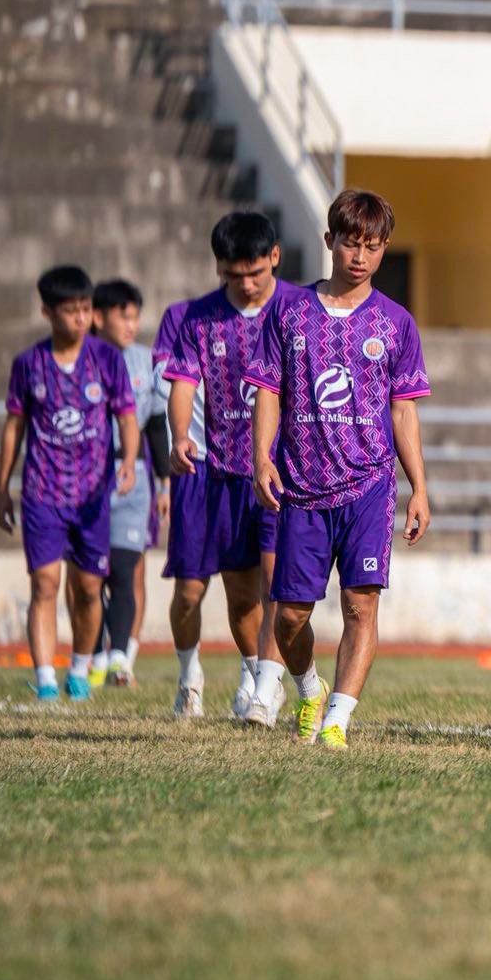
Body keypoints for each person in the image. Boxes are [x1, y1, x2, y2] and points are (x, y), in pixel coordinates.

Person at [248, 190, 431, 750]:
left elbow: (404, 410)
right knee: (289, 618)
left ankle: (337, 721)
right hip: (301, 487)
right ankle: (309, 689)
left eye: (372, 247)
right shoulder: (288, 311)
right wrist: (261, 457)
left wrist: (420, 487)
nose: (360, 256)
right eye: (351, 243)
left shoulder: (397, 323)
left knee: (360, 605)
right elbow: (267, 389)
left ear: (384, 249)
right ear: (330, 240)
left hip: (369, 486)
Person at [166, 213, 300, 729]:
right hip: (224, 473)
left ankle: (265, 690)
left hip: (284, 472)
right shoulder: (199, 318)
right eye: (233, 274)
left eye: (255, 272)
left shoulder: (297, 309)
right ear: (219, 267)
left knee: (275, 582)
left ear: (275, 257)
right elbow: (183, 384)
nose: (245, 284)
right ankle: (253, 674)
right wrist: (181, 434)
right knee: (242, 598)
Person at [0, 266, 140, 701]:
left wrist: (129, 461)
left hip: (93, 497)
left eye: (85, 309)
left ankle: (79, 669)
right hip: (42, 494)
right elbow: (13, 428)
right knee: (44, 584)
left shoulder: (106, 359)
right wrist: (2, 488)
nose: (80, 318)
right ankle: (44, 680)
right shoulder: (29, 364)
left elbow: (127, 417)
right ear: (47, 312)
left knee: (90, 588)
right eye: (70, 310)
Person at [90, 278, 161, 688]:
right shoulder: (80, 357)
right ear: (98, 318)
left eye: (136, 316)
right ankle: (93, 657)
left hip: (131, 477)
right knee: (88, 576)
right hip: (85, 478)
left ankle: (121, 660)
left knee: (124, 569)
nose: (132, 325)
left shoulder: (145, 361)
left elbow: (155, 424)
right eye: (124, 316)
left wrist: (164, 484)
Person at [152, 290, 218, 716]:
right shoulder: (181, 317)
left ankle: (258, 684)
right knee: (190, 591)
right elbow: (165, 391)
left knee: (255, 588)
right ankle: (189, 676)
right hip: (197, 468)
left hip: (251, 466)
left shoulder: (279, 308)